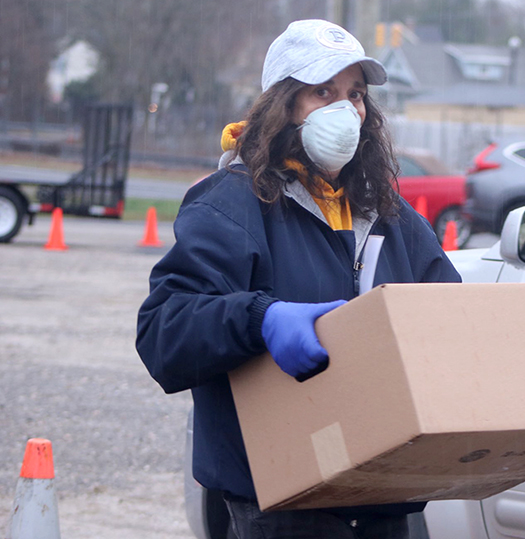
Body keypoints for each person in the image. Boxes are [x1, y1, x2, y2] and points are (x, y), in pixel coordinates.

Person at [136, 19, 461, 539]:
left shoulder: (392, 216)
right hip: (281, 501)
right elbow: (163, 332)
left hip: (385, 495)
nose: (345, 109)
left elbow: (447, 319)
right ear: (283, 104)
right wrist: (259, 319)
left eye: (355, 94)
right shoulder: (232, 204)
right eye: (322, 92)